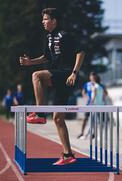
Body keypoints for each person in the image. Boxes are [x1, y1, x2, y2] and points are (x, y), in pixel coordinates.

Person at [19, 8, 85, 165]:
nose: (43, 22)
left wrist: (74, 73)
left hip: (66, 74)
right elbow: (45, 57)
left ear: (54, 21)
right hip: (58, 76)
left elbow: (80, 52)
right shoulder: (48, 37)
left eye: (46, 19)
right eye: (42, 19)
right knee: (57, 118)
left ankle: (40, 113)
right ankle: (68, 155)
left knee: (36, 76)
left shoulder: (65, 35)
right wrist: (30, 62)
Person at [77, 72, 96, 139]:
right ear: (90, 77)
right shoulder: (87, 84)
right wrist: (87, 97)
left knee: (94, 120)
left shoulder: (97, 85)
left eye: (94, 77)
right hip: (88, 104)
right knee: (85, 118)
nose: (92, 78)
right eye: (91, 76)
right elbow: (83, 92)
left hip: (96, 105)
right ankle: (82, 132)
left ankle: (93, 133)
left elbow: (104, 92)